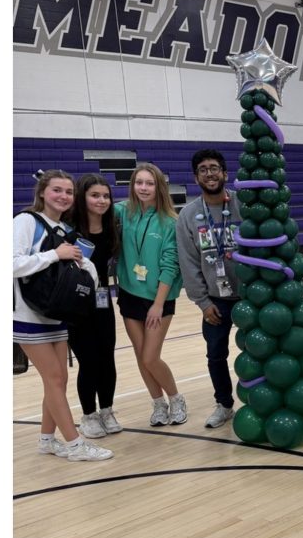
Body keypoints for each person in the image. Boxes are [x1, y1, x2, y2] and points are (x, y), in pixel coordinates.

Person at [13, 169, 112, 461]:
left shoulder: (64, 229)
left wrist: (86, 266)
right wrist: (55, 255)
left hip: (55, 314)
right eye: (57, 190)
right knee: (54, 378)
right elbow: (12, 263)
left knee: (58, 379)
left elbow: (83, 270)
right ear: (42, 192)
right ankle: (74, 445)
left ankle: (47, 440)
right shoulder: (26, 221)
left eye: (68, 192)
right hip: (28, 315)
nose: (63, 196)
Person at [116, 162, 186, 427]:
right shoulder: (121, 212)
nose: (143, 188)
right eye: (138, 182)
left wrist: (158, 304)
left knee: (150, 356)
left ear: (159, 187)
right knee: (139, 355)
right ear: (132, 185)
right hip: (129, 293)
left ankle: (176, 398)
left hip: (159, 298)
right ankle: (158, 403)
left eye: (149, 183)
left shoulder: (169, 221)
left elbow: (171, 264)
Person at [177, 149, 242, 429]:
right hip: (216, 300)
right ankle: (224, 405)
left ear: (225, 174)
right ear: (196, 177)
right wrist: (203, 302)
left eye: (214, 168)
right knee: (216, 354)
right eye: (203, 169)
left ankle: (261, 401)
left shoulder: (244, 205)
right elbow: (188, 262)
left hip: (252, 297)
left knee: (259, 350)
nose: (209, 173)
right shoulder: (189, 215)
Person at [67, 174, 123, 439]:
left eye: (105, 196)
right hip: (78, 304)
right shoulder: (70, 230)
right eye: (95, 195)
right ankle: (88, 415)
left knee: (106, 357)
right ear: (83, 197)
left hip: (102, 300)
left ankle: (107, 410)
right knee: (88, 361)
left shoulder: (112, 227)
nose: (101, 201)